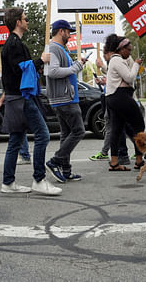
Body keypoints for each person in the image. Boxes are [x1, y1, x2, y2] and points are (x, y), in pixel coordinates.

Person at [0, 7, 59, 195]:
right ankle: (39, 179)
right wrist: (40, 60)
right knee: (43, 135)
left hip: (15, 98)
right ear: (17, 22)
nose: (27, 22)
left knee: (15, 140)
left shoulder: (13, 43)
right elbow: (20, 70)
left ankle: (8, 183)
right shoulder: (14, 44)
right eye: (24, 19)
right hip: (21, 98)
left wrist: (38, 63)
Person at [45, 19, 87, 183]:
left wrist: (77, 64)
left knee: (67, 134)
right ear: (61, 31)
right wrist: (75, 67)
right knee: (78, 131)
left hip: (63, 98)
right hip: (65, 99)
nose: (70, 35)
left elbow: (58, 70)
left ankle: (66, 169)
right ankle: (55, 161)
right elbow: (53, 72)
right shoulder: (54, 48)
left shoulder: (56, 49)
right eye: (69, 32)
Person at [103, 34, 146, 172]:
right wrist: (136, 65)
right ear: (121, 49)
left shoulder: (115, 60)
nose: (130, 52)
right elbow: (129, 77)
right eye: (128, 50)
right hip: (121, 96)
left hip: (113, 97)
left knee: (117, 128)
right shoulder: (117, 60)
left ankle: (114, 162)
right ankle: (139, 160)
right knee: (139, 125)